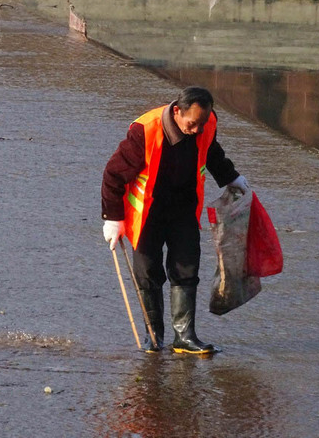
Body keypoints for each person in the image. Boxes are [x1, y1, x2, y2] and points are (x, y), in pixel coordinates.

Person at [101, 86, 249, 354]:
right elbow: (113, 175)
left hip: (183, 208)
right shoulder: (144, 132)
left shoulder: (206, 125)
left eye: (202, 124)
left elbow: (212, 153)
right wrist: (113, 218)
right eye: (192, 124)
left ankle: (185, 337)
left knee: (186, 268)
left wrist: (231, 178)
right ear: (177, 112)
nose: (197, 130)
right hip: (149, 213)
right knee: (147, 273)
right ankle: (153, 336)